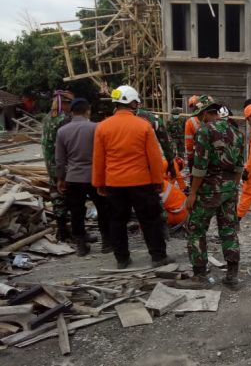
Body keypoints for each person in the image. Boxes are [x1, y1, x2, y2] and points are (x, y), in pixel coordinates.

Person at [92, 85, 172, 269]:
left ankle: (122, 259)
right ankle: (158, 256)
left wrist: (99, 182)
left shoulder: (102, 127)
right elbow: (154, 158)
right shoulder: (143, 126)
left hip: (114, 183)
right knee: (150, 220)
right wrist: (158, 180)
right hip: (141, 182)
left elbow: (98, 158)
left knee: (117, 221)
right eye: (136, 101)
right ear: (131, 102)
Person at [185, 102, 244, 288]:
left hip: (208, 190)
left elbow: (200, 167)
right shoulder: (237, 133)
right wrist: (232, 188)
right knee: (228, 230)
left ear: (208, 114)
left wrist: (192, 193)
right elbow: (239, 167)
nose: (200, 118)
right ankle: (232, 276)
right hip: (229, 189)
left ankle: (200, 275)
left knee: (196, 229)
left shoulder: (205, 131)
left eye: (201, 115)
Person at [55, 98, 110, 256]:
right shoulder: (97, 128)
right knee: (103, 209)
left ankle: (81, 245)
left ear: (71, 112)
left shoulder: (62, 131)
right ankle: (106, 242)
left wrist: (60, 178)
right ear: (88, 111)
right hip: (96, 177)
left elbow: (60, 160)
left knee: (77, 211)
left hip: (74, 178)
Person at [42, 90, 74, 241]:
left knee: (57, 198)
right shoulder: (65, 119)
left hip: (51, 165)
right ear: (65, 103)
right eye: (70, 104)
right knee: (72, 198)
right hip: (64, 165)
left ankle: (62, 231)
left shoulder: (47, 118)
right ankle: (75, 232)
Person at [136, 102, 175, 177]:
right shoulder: (153, 118)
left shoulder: (112, 121)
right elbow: (165, 143)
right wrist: (171, 163)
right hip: (148, 164)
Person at [160, 158, 188, 229]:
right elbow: (178, 177)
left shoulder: (170, 163)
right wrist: (184, 188)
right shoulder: (172, 164)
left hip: (179, 214)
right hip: (183, 211)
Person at [185, 96, 206, 175]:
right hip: (210, 153)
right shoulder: (212, 118)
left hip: (196, 152)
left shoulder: (190, 121)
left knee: (195, 175)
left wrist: (190, 156)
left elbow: (189, 142)